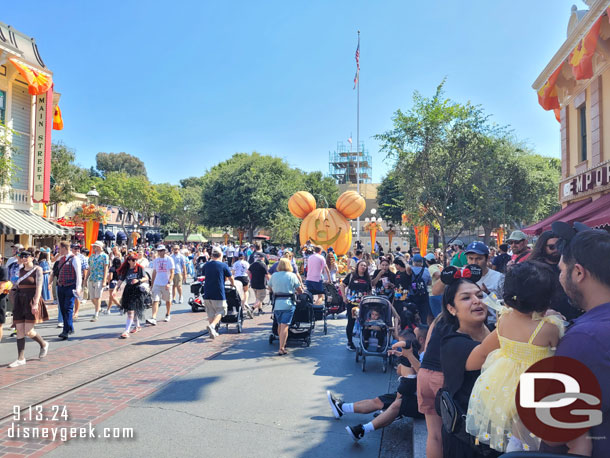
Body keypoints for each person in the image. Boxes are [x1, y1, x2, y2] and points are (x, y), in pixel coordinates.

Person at [464, 262, 564, 453]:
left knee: (515, 424)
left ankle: (514, 448)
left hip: (502, 381)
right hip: (536, 383)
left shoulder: (504, 318)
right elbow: (558, 347)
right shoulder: (548, 328)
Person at [540, 227, 610, 458]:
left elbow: (554, 431)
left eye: (562, 270)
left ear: (578, 272)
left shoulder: (583, 338)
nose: (560, 277)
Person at [438, 264, 499, 458]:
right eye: (466, 298)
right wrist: (519, 317)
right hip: (466, 442)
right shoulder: (452, 343)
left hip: (498, 433)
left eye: (479, 296)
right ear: (451, 309)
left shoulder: (493, 328)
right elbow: (483, 356)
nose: (476, 301)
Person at [327, 327, 427, 441]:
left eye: (414, 334)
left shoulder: (427, 355)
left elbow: (423, 374)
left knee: (397, 404)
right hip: (411, 392)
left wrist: (407, 357)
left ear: (421, 339)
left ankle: (362, 430)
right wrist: (402, 356)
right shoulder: (419, 352)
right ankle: (341, 408)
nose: (411, 336)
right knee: (378, 401)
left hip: (420, 400)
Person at [529, 230, 583, 321]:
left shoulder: (572, 265)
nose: (556, 250)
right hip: (549, 318)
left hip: (574, 316)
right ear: (542, 247)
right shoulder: (535, 268)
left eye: (559, 246)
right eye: (552, 247)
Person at [8, 250, 50, 367]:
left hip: (31, 300)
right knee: (20, 330)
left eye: (27, 256)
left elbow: (39, 287)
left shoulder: (37, 269)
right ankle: (21, 358)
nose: (24, 258)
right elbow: (15, 284)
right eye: (22, 256)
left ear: (32, 257)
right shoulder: (19, 270)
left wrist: (36, 303)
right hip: (20, 300)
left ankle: (43, 344)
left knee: (28, 331)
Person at [268, 258, 303, 355]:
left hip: (277, 303)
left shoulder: (274, 275)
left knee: (279, 324)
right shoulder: (292, 276)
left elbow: (269, 288)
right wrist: (298, 292)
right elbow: (299, 289)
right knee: (285, 326)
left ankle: (281, 342)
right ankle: (281, 347)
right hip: (288, 303)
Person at [464, 241, 504, 324]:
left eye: (478, 258)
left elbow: (504, 307)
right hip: (468, 323)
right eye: (471, 258)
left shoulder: (499, 278)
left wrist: (487, 294)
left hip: (493, 324)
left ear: (487, 259)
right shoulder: (461, 275)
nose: (474, 262)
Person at [113, 254, 148, 338]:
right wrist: (115, 289)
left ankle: (126, 330)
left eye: (136, 260)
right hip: (128, 290)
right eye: (133, 260)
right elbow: (120, 280)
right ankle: (137, 326)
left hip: (137, 290)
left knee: (131, 311)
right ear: (129, 261)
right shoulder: (126, 270)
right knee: (132, 310)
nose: (135, 261)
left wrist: (138, 280)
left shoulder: (140, 268)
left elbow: (146, 278)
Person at [202, 246, 235, 339]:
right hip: (218, 292)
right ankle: (212, 326)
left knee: (210, 312)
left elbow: (203, 274)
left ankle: (213, 331)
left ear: (212, 255)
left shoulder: (207, 265)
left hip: (207, 292)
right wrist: (233, 285)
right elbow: (230, 277)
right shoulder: (223, 265)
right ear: (220, 255)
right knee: (221, 310)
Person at [340, 260, 372, 351]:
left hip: (363, 305)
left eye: (365, 266)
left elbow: (369, 290)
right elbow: (342, 285)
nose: (363, 267)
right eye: (362, 265)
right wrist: (344, 297)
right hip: (352, 304)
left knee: (365, 323)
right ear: (358, 266)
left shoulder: (367, 278)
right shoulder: (351, 276)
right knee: (351, 322)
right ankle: (350, 342)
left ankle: (364, 342)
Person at [55, 241, 83, 340]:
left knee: (68, 308)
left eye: (59, 248)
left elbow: (79, 274)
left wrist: (78, 287)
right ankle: (70, 327)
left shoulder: (75, 259)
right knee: (62, 308)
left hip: (70, 286)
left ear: (64, 248)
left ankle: (65, 331)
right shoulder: (61, 259)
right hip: (61, 286)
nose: (58, 250)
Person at [147, 245, 175, 325]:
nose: (160, 252)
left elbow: (172, 272)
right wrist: (152, 284)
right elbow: (154, 272)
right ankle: (153, 317)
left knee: (168, 301)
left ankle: (168, 314)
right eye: (158, 251)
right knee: (155, 300)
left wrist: (169, 282)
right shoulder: (156, 260)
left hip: (166, 283)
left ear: (164, 251)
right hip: (157, 283)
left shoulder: (169, 259)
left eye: (161, 250)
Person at [86, 241, 109, 322]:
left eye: (94, 246)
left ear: (99, 247)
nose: (93, 248)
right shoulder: (91, 257)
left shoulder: (104, 256)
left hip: (99, 278)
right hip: (91, 278)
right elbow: (89, 268)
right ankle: (98, 308)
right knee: (92, 298)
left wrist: (104, 281)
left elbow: (106, 268)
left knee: (97, 297)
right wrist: (86, 279)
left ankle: (96, 314)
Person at [409, 254, 431, 324]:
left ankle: (413, 329)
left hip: (412, 295)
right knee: (424, 314)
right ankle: (423, 329)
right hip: (423, 295)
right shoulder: (426, 270)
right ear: (422, 262)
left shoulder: (409, 270)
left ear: (413, 262)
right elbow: (429, 283)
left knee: (412, 314)